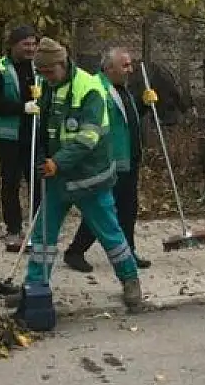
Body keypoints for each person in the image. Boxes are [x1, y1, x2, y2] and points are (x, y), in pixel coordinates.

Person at [16, 37, 145, 329]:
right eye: (42, 73)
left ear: (62, 64)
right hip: (57, 178)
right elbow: (47, 130)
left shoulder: (90, 89)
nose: (45, 78)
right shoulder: (47, 88)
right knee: (43, 237)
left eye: (49, 72)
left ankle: (130, 280)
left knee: (111, 233)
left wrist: (57, 161)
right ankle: (35, 289)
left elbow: (89, 137)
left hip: (90, 178)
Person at [63, 47, 153, 273]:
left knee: (128, 208)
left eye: (131, 65)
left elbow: (125, 118)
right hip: (110, 159)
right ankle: (75, 251)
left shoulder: (122, 89)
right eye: (125, 66)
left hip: (129, 157)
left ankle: (128, 250)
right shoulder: (98, 88)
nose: (130, 70)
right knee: (103, 209)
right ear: (109, 67)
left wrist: (143, 104)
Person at [0, 25, 41, 252]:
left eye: (33, 44)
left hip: (34, 133)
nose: (31, 49)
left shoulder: (38, 68)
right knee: (11, 182)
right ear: (14, 45)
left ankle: (38, 227)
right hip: (9, 136)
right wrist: (22, 107)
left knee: (37, 181)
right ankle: (13, 228)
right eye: (26, 44)